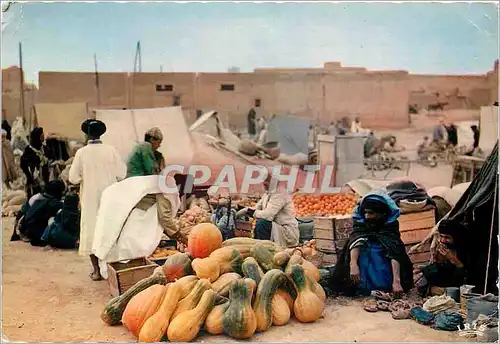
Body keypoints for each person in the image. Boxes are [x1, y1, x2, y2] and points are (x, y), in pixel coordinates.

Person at [92, 174, 186, 279]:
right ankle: (127, 277)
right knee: (134, 248)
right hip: (140, 218)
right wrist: (181, 237)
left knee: (127, 247)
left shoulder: (162, 183)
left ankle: (124, 275)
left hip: (137, 215)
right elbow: (164, 217)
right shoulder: (166, 189)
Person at [69, 119, 126, 281]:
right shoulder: (111, 150)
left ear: (87, 134)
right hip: (110, 197)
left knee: (91, 232)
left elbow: (73, 178)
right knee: (110, 230)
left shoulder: (82, 153)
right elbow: (122, 173)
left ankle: (96, 271)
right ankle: (112, 269)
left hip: (90, 198)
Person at [329, 191, 413, 297]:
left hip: (384, 272)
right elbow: (356, 242)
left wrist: (396, 282)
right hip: (362, 270)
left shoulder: (390, 228)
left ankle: (383, 289)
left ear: (382, 214)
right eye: (365, 213)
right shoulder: (362, 222)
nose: (367, 216)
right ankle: (361, 289)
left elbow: (395, 252)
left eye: (371, 213)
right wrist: (353, 265)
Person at [241, 175, 299, 247]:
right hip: (276, 228)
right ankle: (258, 248)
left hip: (285, 232)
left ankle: (264, 249)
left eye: (267, 183)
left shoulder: (280, 193)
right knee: (259, 224)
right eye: (264, 183)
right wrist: (243, 210)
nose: (264, 185)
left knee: (262, 224)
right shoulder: (267, 194)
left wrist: (250, 212)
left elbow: (268, 216)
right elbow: (257, 207)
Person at [413, 222, 465, 296]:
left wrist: (453, 259)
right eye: (441, 236)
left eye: (447, 237)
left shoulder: (463, 252)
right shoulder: (441, 249)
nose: (443, 240)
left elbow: (462, 278)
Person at [17, 180, 66, 247]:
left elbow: (23, 211)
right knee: (56, 218)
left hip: (26, 231)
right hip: (37, 234)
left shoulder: (37, 197)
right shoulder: (53, 202)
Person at [20, 127, 53, 199]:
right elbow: (23, 164)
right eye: (41, 135)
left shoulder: (44, 148)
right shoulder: (29, 149)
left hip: (44, 177)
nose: (43, 136)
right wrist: (29, 176)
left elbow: (50, 157)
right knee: (33, 198)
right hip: (33, 179)